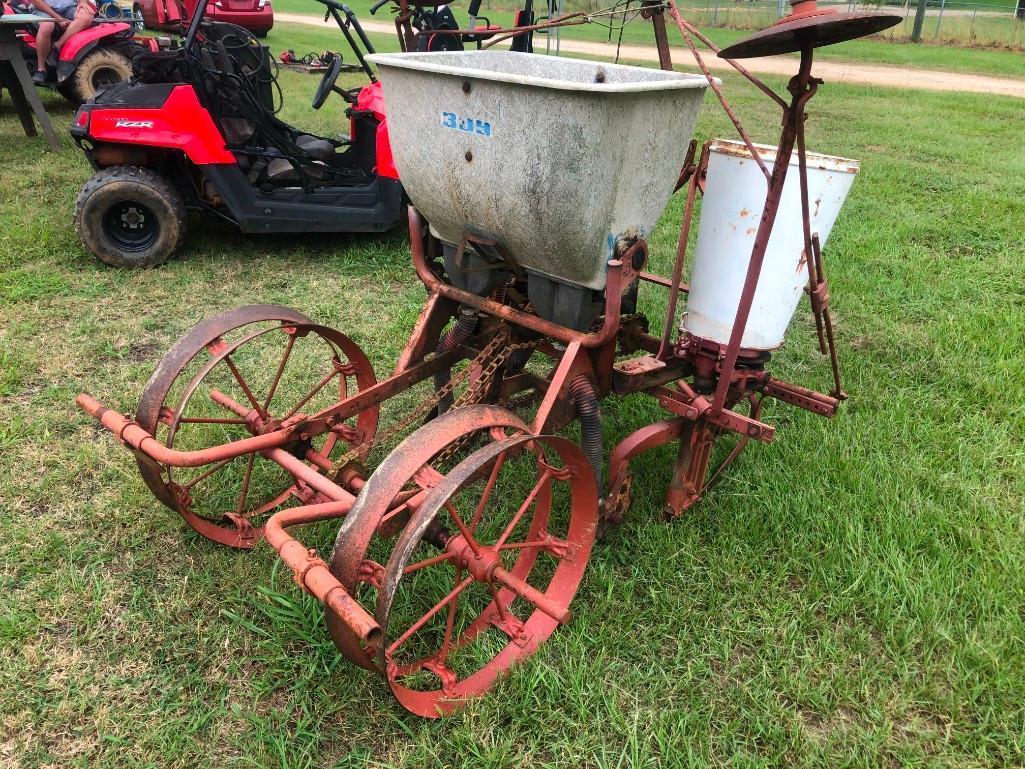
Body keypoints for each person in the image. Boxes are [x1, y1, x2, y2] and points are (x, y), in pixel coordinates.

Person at [19, 0, 97, 84]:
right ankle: (41, 70)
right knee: (47, 26)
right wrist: (58, 19)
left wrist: (82, 2)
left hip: (68, 8)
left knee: (87, 17)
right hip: (42, 9)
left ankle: (57, 46)